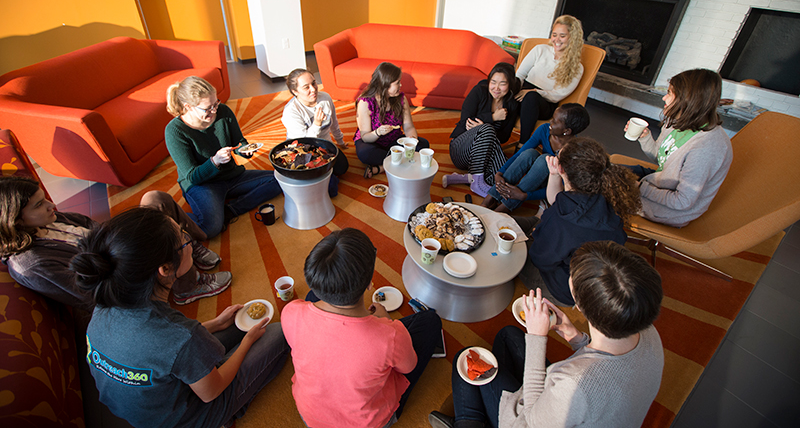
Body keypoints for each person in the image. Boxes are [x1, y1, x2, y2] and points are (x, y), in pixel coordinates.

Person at [73, 207, 289, 428]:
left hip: (145, 405)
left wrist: (214, 324)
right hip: (183, 418)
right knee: (280, 333)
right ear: (165, 268)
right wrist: (247, 342)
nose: (189, 241)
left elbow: (165, 350)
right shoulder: (180, 333)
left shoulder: (103, 305)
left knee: (236, 324)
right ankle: (226, 415)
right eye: (184, 240)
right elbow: (211, 391)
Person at [429, 241, 664, 428]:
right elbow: (608, 358)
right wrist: (576, 338)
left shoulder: (575, 384)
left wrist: (537, 338)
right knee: (508, 335)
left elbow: (528, 421)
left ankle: (469, 423)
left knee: (466, 358)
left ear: (580, 305)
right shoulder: (648, 332)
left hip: (533, 418)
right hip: (585, 408)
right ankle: (489, 407)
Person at [281, 228, 441, 428]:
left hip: (310, 416)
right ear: (369, 285)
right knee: (430, 321)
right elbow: (409, 366)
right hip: (368, 423)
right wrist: (386, 322)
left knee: (312, 300)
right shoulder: (390, 335)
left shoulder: (290, 311)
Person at [0, 176, 230, 307]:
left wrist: (130, 234)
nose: (52, 204)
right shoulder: (32, 264)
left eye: (44, 198)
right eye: (39, 204)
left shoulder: (49, 219)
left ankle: (191, 245)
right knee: (161, 235)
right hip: (124, 276)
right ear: (16, 220)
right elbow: (90, 293)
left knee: (155, 199)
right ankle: (187, 285)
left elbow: (97, 228)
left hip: (120, 245)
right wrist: (134, 252)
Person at [515, 137, 641, 306]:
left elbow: (540, 259)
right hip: (587, 277)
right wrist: (554, 174)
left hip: (559, 289)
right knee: (513, 223)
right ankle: (535, 224)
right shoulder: (607, 193)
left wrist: (534, 236)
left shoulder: (563, 217)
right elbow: (557, 202)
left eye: (558, 154)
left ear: (562, 168)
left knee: (511, 247)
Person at [165, 76, 281, 238]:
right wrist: (214, 161)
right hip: (202, 184)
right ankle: (169, 219)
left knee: (280, 179)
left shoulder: (223, 111)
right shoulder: (175, 131)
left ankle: (230, 210)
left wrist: (243, 150)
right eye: (207, 108)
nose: (214, 111)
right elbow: (192, 176)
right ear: (188, 107)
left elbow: (238, 142)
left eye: (216, 104)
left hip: (231, 176)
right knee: (210, 229)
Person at [623, 68, 733, 227]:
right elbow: (661, 159)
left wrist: (640, 187)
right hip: (659, 182)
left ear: (687, 99)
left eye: (669, 92)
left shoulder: (707, 147)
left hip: (669, 211)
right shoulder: (678, 122)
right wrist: (645, 138)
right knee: (601, 170)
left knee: (598, 189)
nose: (664, 97)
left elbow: (683, 202)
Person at [483, 103, 590, 213]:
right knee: (529, 153)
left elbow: (562, 189)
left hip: (551, 187)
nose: (550, 123)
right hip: (535, 176)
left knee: (545, 159)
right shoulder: (544, 130)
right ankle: (489, 199)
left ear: (567, 131)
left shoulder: (573, 151)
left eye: (555, 121)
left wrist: (525, 196)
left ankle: (503, 209)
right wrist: (500, 173)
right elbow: (520, 154)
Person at [443, 62, 521, 196]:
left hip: (483, 156)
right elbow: (466, 122)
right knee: (487, 128)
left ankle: (468, 178)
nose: (496, 88)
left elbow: (503, 138)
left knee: (505, 175)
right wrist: (493, 117)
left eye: (502, 83)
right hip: (461, 151)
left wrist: (483, 128)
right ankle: (477, 182)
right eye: (493, 82)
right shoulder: (478, 92)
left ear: (510, 85)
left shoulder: (511, 105)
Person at [515, 15, 584, 148]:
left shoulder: (576, 67)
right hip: (523, 91)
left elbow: (558, 94)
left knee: (530, 97)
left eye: (562, 36)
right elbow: (520, 74)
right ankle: (494, 137)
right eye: (554, 34)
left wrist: (534, 91)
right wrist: (513, 89)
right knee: (495, 88)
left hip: (544, 102)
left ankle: (522, 144)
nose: (556, 40)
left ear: (572, 38)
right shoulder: (540, 50)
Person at [355, 62, 430, 179]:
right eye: (397, 83)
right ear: (385, 85)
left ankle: (382, 167)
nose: (400, 85)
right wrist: (378, 132)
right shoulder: (365, 102)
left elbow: (409, 126)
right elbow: (365, 136)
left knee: (423, 145)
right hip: (371, 142)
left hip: (394, 141)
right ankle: (401, 162)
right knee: (365, 154)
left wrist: (412, 140)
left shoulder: (401, 98)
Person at [282, 68, 349, 196]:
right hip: (302, 151)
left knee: (342, 167)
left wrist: (340, 141)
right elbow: (304, 143)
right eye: (306, 87)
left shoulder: (325, 98)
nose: (313, 89)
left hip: (325, 145)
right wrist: (317, 124)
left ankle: (318, 176)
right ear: (295, 91)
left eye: (314, 83)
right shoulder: (291, 111)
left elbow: (334, 122)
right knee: (331, 190)